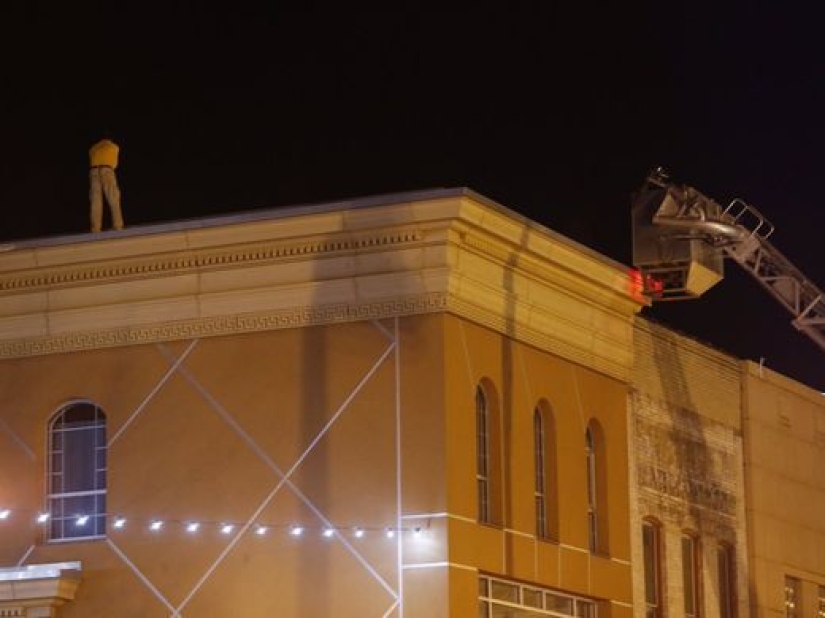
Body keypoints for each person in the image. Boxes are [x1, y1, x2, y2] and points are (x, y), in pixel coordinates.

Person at [88, 135, 124, 232]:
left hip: (93, 172)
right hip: (107, 170)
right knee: (113, 197)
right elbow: (115, 164)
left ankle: (95, 228)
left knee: (96, 201)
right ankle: (118, 226)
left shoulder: (93, 148)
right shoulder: (114, 147)